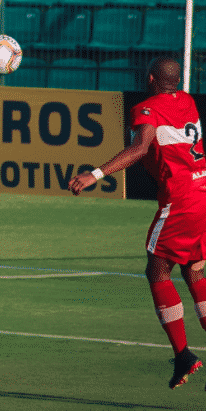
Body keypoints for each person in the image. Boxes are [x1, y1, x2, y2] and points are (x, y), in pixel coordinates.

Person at [70, 57, 206, 389]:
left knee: (157, 271)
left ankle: (184, 354)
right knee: (193, 269)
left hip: (182, 199)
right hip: (203, 191)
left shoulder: (146, 108)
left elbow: (140, 148)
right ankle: (184, 355)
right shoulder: (187, 101)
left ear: (149, 78)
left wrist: (96, 174)